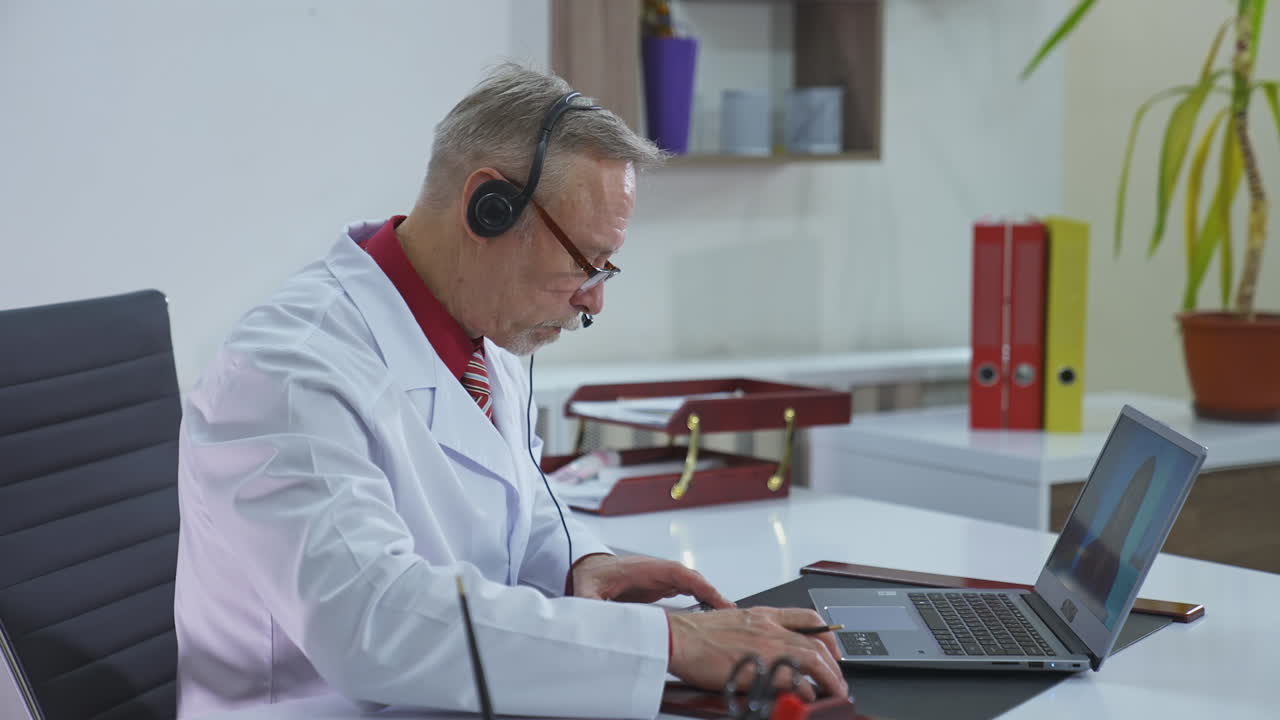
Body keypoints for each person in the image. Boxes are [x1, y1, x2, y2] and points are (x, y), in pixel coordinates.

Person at [174, 63, 847, 719]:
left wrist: (580, 562)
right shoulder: (290, 371)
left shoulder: (486, 330)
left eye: (606, 269)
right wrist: (671, 641)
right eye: (584, 263)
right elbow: (371, 622)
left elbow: (514, 505)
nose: (594, 301)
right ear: (488, 208)